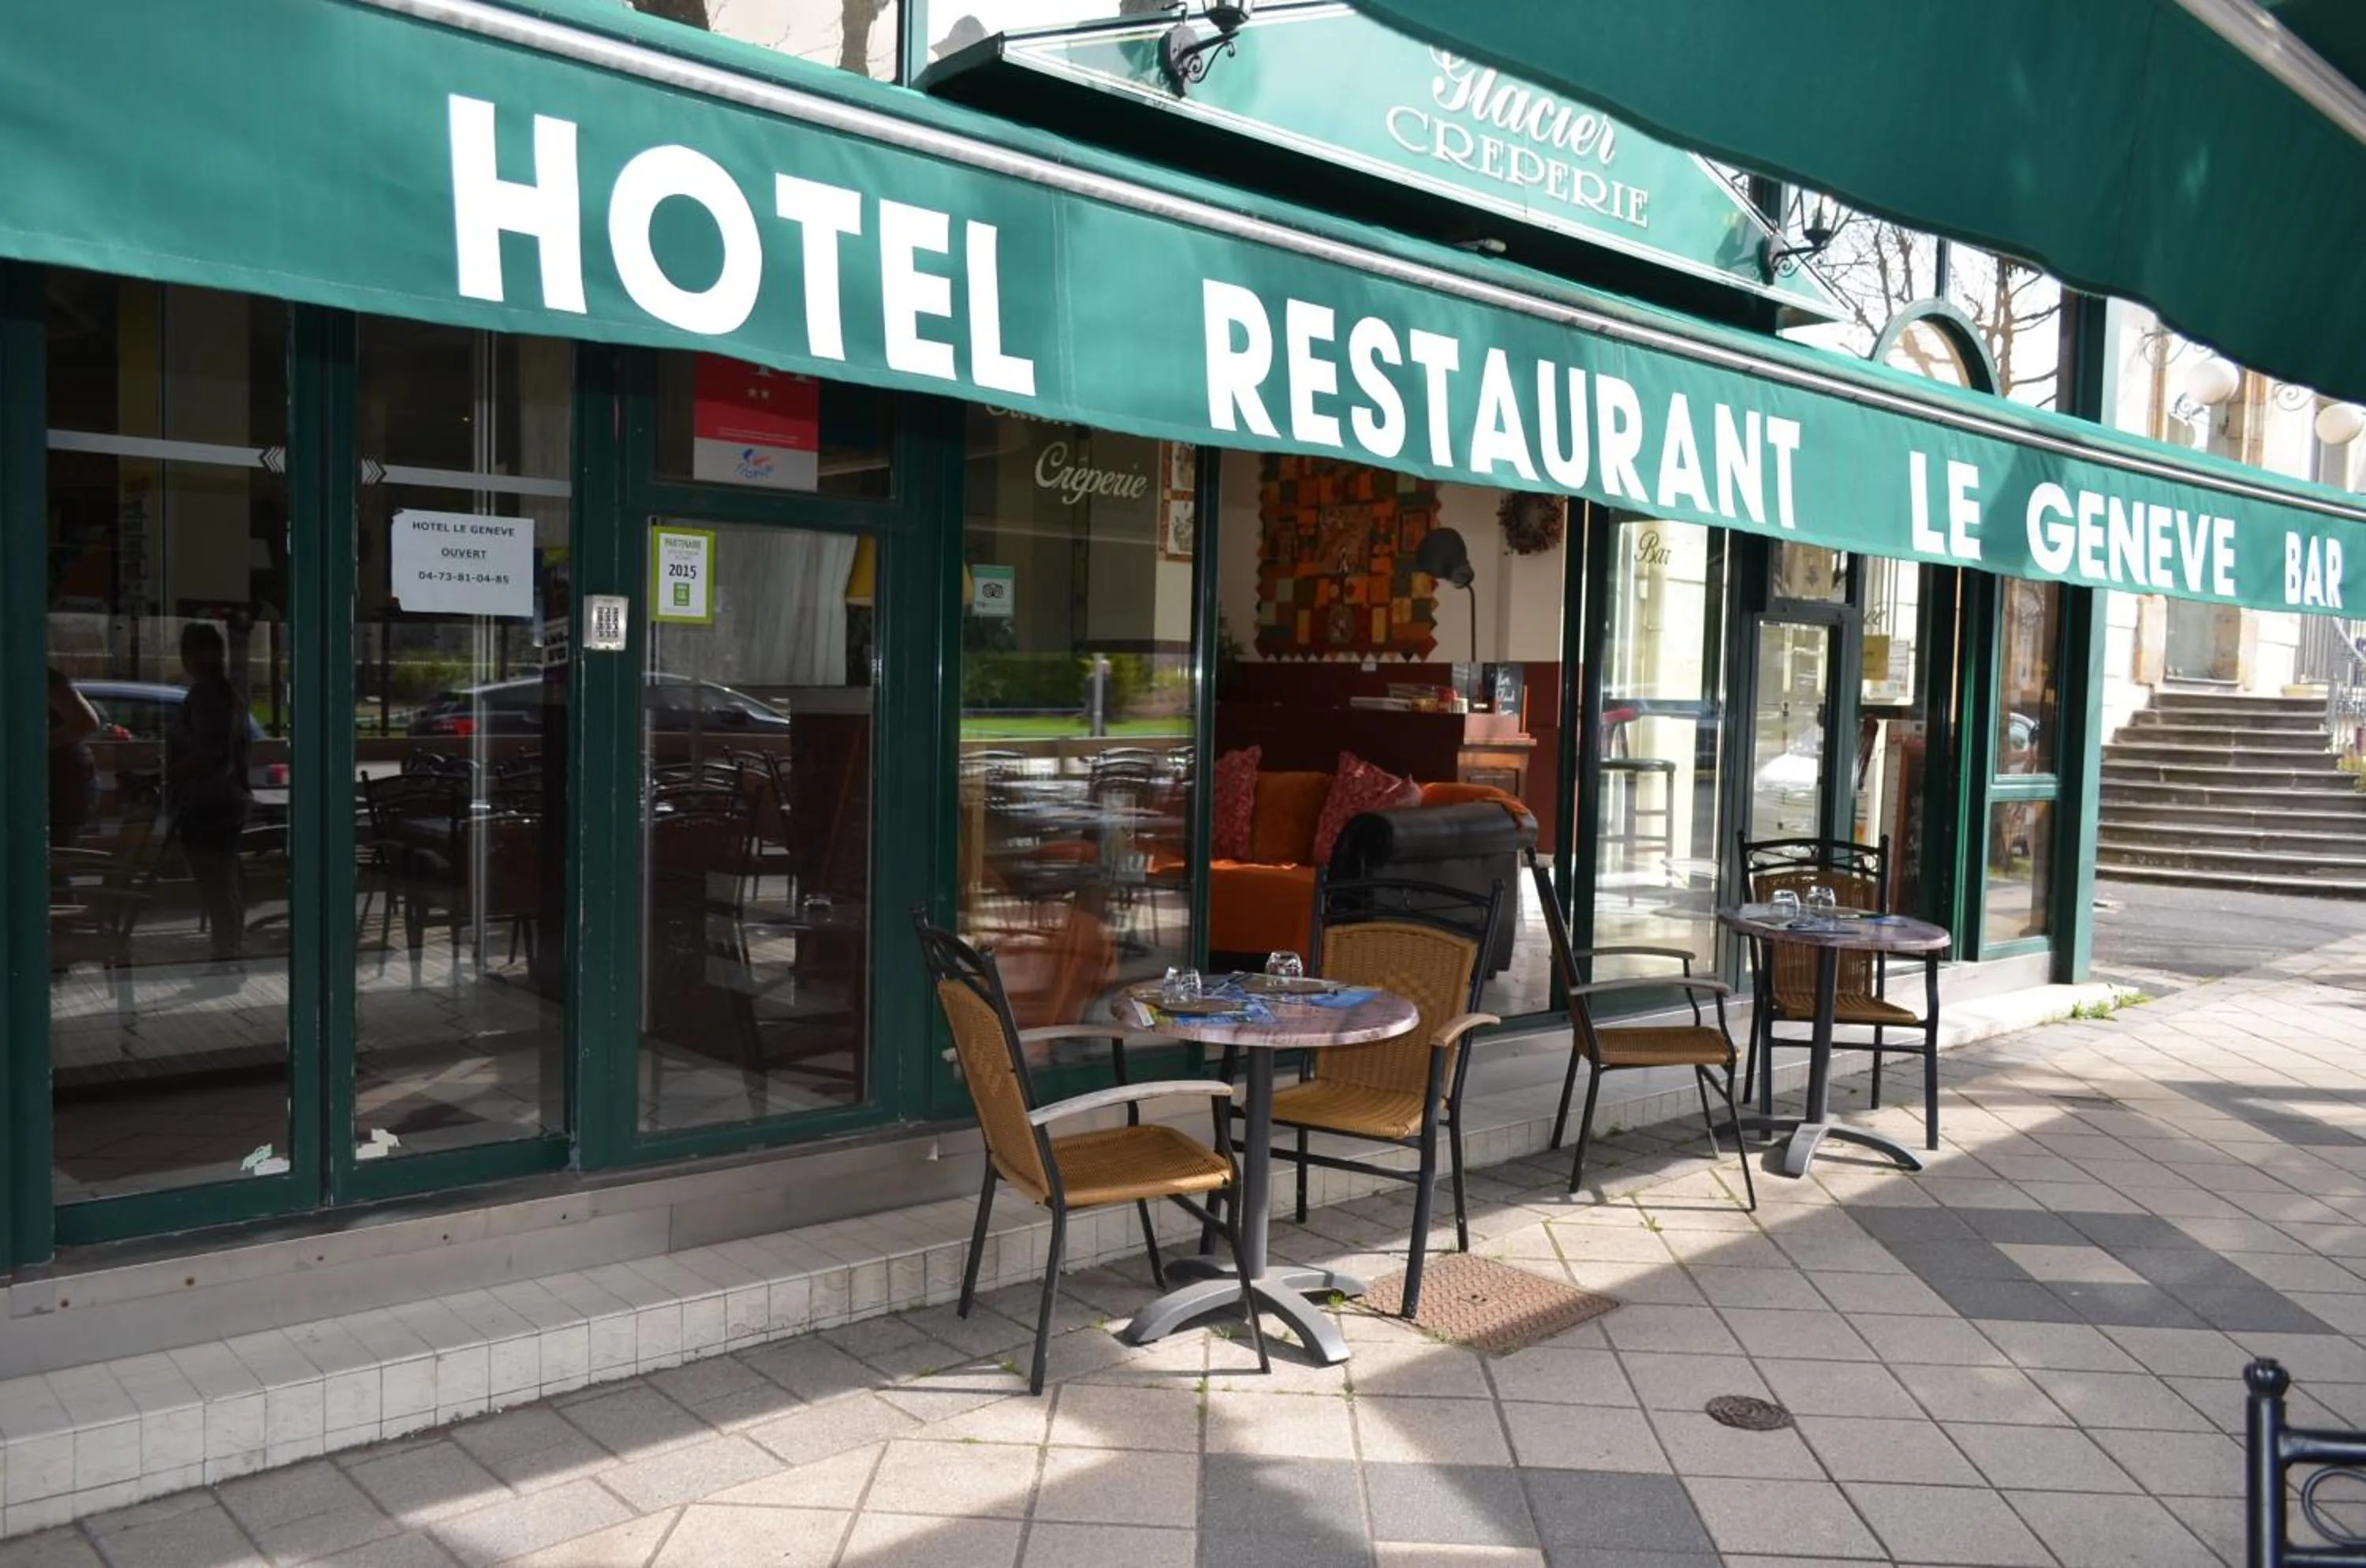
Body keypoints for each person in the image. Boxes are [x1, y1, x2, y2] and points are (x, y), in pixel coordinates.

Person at [166, 623, 252, 967]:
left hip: (210, 802)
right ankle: (230, 946)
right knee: (224, 879)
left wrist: (168, 773)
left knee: (216, 881)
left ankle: (226, 951)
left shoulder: (208, 695)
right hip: (224, 801)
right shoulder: (224, 693)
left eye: (192, 651)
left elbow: (211, 752)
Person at [47, 666, 101, 844]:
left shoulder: (42, 678)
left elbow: (86, 722)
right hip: (56, 782)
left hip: (63, 783)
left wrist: (31, 747)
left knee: (58, 847)